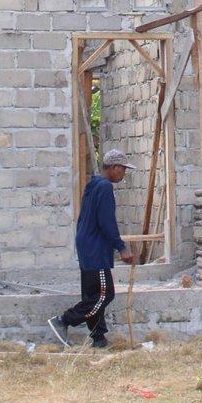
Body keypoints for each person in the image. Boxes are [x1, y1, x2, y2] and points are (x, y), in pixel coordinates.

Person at [49, 148, 138, 349]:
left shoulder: (93, 184)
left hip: (86, 245)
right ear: (114, 167)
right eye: (123, 169)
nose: (123, 174)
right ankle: (64, 320)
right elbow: (106, 221)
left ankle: (99, 338)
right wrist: (121, 247)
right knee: (105, 295)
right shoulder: (105, 187)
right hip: (96, 249)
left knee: (92, 295)